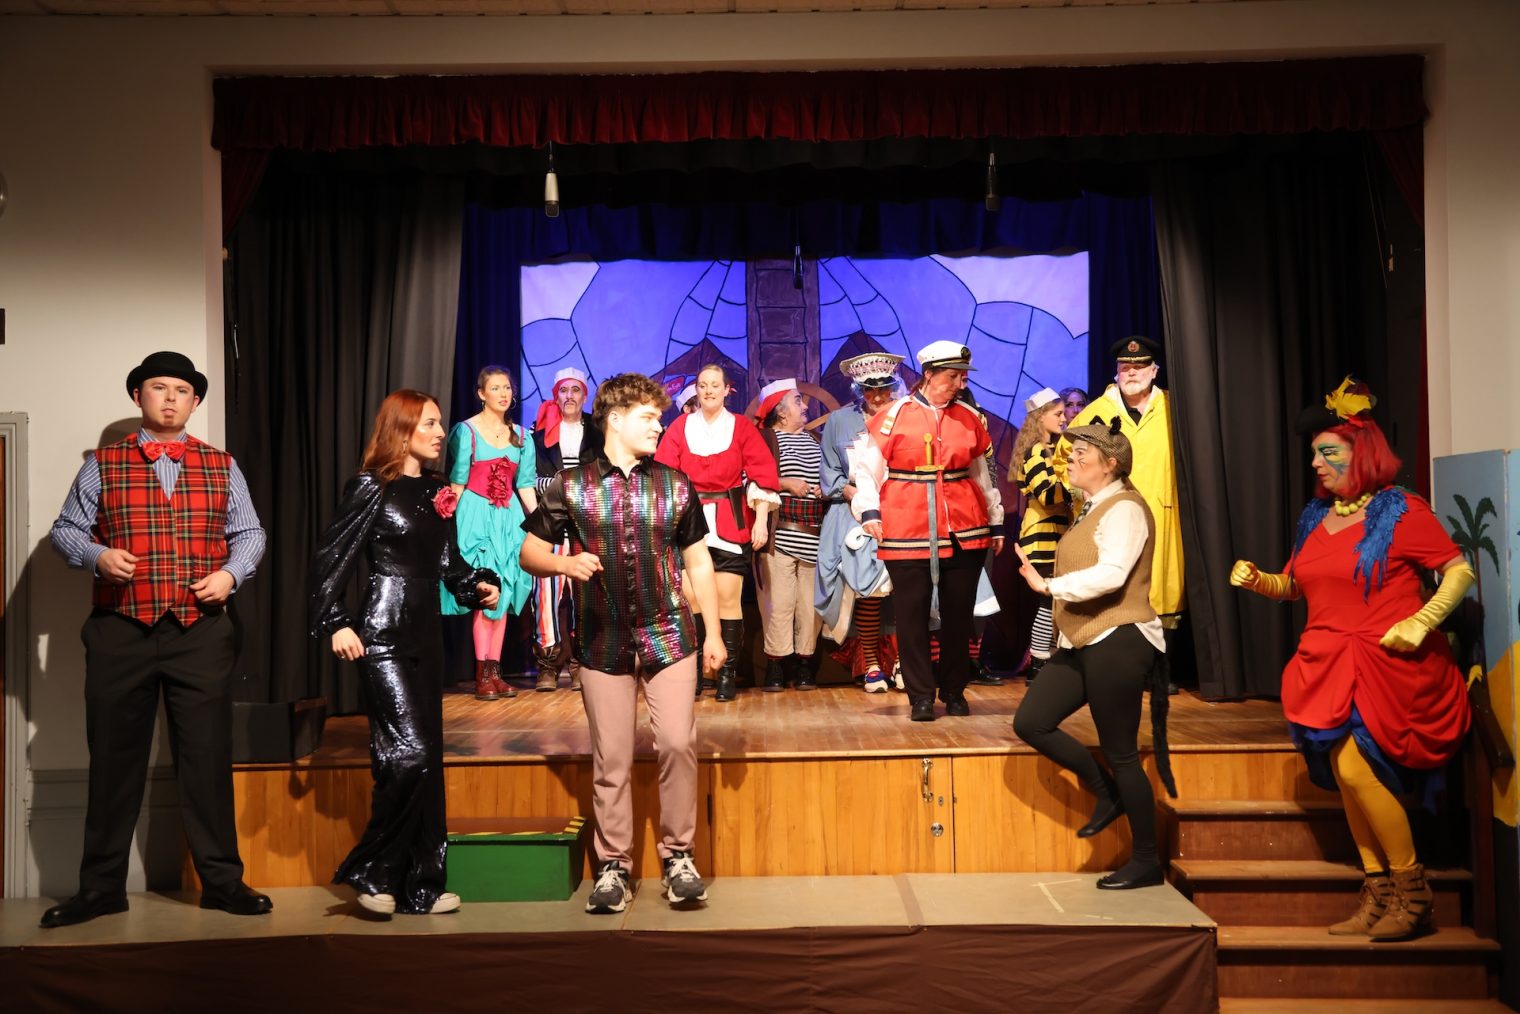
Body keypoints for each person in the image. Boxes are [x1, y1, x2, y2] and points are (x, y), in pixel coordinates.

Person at [1230, 377, 1472, 940]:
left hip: (1387, 665)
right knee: (1344, 775)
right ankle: (1379, 889)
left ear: (1361, 453)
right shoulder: (1317, 516)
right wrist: (1260, 580)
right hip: (1327, 662)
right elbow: (1297, 585)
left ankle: (1414, 892)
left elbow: (1458, 570)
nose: (1316, 463)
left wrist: (1421, 622)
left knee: (1356, 770)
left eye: (1328, 452)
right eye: (1315, 454)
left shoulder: (1401, 510)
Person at [44, 351, 272, 929]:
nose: (170, 398)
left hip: (201, 631)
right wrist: (96, 555)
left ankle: (222, 882)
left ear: (195, 402)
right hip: (121, 630)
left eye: (181, 390)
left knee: (207, 758)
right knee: (113, 761)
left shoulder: (221, 465)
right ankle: (100, 889)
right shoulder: (102, 465)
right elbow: (65, 530)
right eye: (158, 388)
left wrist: (230, 575)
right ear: (137, 396)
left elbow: (249, 533)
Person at [520, 373, 725, 914]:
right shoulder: (571, 485)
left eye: (660, 418)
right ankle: (613, 865)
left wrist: (714, 632)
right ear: (615, 419)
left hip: (669, 632)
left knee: (677, 742)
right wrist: (564, 564)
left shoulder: (676, 484)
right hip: (601, 636)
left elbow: (698, 561)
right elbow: (529, 553)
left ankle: (679, 857)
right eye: (648, 417)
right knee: (611, 756)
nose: (659, 426)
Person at [310, 390, 502, 917]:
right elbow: (330, 559)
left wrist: (475, 586)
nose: (441, 433)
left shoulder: (437, 491)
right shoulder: (371, 486)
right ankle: (374, 872)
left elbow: (448, 563)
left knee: (428, 761)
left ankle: (423, 885)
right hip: (382, 633)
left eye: (440, 424)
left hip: (425, 634)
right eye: (430, 424)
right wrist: (336, 622)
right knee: (407, 755)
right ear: (402, 429)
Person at [1012, 416, 1174, 891]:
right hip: (1083, 639)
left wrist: (1049, 586)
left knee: (1122, 753)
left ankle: (1147, 861)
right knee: (1032, 721)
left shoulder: (1124, 509)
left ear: (1111, 464)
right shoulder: (1092, 507)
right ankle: (1106, 793)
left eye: (1082, 453)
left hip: (1120, 638)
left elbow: (1113, 574)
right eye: (1073, 450)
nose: (1072, 459)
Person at [853, 341, 1005, 722]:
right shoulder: (894, 415)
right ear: (929, 374)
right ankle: (920, 695)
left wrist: (996, 519)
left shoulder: (969, 417)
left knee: (959, 613)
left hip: (964, 524)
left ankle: (954, 690)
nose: (960, 383)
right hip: (907, 523)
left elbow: (981, 474)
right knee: (911, 614)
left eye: (963, 376)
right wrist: (869, 511)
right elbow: (867, 471)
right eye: (952, 376)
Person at [655, 363, 780, 701]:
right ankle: (695, 674)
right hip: (689, 523)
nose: (708, 390)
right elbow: (664, 477)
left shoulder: (741, 427)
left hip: (730, 521)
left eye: (715, 385)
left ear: (727, 390)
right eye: (702, 385)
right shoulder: (680, 427)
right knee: (691, 598)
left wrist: (760, 520)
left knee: (727, 598)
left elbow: (762, 474)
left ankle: (727, 674)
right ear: (696, 390)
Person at [1067, 338, 1185, 690]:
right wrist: (1087, 495)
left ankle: (1161, 673)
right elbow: (1065, 459)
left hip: (1163, 513)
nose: (1132, 372)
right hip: (1113, 516)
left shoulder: (1173, 408)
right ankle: (1122, 671)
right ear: (1116, 372)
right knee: (1117, 586)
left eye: (1139, 366)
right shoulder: (1096, 413)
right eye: (1125, 367)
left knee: (1163, 591)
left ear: (1154, 371)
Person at [442, 365, 538, 700]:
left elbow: (525, 485)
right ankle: (482, 672)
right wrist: (447, 520)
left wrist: (542, 523)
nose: (503, 393)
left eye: (507, 387)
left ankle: (494, 671)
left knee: (505, 591)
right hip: (476, 515)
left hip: (508, 519)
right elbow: (457, 481)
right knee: (485, 591)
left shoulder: (522, 436)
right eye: (495, 388)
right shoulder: (466, 432)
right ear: (481, 393)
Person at [816, 353, 903, 693]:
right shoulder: (840, 421)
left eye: (883, 389)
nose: (877, 397)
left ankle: (903, 661)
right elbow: (830, 472)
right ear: (859, 389)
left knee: (908, 586)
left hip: (900, 506)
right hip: (852, 510)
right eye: (870, 390)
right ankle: (871, 664)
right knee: (869, 586)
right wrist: (853, 493)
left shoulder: (904, 415)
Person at [530, 367, 604, 693]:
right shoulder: (538, 435)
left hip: (588, 526)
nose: (569, 396)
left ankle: (580, 663)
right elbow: (530, 480)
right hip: (552, 523)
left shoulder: (598, 432)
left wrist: (575, 486)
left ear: (584, 395)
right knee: (545, 597)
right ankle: (548, 663)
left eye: (575, 390)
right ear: (555, 395)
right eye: (564, 390)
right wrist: (565, 486)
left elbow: (604, 472)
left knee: (585, 596)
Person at [756, 379, 826, 691]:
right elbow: (751, 477)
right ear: (781, 412)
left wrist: (826, 488)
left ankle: (805, 664)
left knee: (810, 606)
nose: (805, 405)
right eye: (798, 400)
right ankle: (776, 665)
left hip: (814, 536)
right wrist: (785, 483)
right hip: (781, 535)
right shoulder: (767, 439)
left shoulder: (815, 440)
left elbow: (832, 475)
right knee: (779, 604)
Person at [1013, 387, 1073, 683]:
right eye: (1058, 413)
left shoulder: (1051, 449)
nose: (1064, 418)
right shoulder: (1036, 449)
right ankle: (1039, 660)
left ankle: (1046, 659)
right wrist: (1077, 485)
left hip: (1055, 531)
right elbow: (1047, 496)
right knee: (1048, 600)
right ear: (1040, 417)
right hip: (1043, 533)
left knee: (1054, 599)